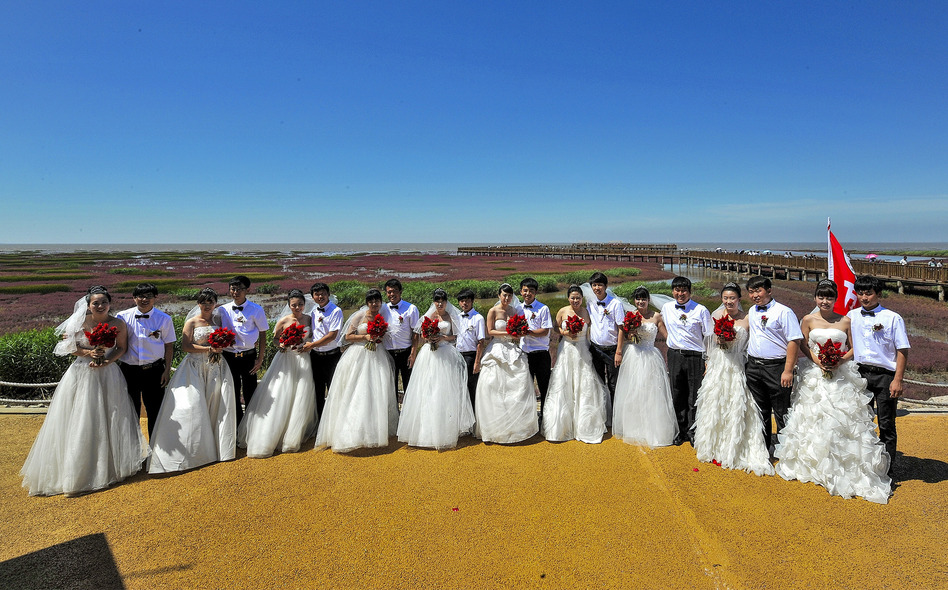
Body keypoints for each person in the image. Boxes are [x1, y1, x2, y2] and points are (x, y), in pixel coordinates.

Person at [21, 286, 148, 496]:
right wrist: (90, 352)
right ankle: (76, 470)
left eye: (103, 302)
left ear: (110, 303)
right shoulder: (79, 322)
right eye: (95, 303)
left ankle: (110, 465)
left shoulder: (118, 323)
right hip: (82, 371)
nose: (100, 306)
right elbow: (69, 346)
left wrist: (106, 360)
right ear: (88, 305)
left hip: (108, 373)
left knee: (110, 416)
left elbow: (121, 348)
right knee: (80, 416)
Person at [775, 280, 891, 502]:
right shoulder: (808, 320)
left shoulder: (846, 320)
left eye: (829, 297)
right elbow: (803, 345)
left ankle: (841, 464)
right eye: (821, 297)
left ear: (835, 299)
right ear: (815, 298)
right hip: (815, 374)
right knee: (813, 417)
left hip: (840, 374)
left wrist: (839, 360)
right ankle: (812, 463)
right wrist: (819, 361)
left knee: (842, 418)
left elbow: (855, 347)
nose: (824, 301)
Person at [148, 288, 237, 473]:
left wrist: (221, 346)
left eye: (210, 301)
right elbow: (186, 346)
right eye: (203, 301)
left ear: (215, 303)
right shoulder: (191, 322)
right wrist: (209, 350)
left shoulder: (219, 320)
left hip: (216, 367)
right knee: (193, 405)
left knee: (217, 404)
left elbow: (229, 340)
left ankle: (218, 447)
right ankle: (196, 451)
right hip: (195, 367)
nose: (207, 304)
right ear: (198, 303)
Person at [692, 283, 774, 476]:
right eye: (725, 298)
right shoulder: (717, 316)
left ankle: (734, 446)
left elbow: (754, 342)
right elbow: (710, 344)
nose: (728, 301)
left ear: (739, 299)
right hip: (719, 364)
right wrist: (709, 360)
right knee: (715, 402)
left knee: (736, 402)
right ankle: (714, 445)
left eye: (732, 298)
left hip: (738, 363)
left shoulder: (748, 318)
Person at [315, 289, 399, 453]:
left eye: (377, 301)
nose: (374, 304)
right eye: (371, 301)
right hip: (359, 355)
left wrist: (377, 337)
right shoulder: (359, 316)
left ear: (380, 302)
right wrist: (365, 337)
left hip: (377, 355)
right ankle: (352, 430)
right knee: (357, 390)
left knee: (376, 391)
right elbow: (347, 336)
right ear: (367, 303)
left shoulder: (382, 317)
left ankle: (373, 428)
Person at [237, 290, 318, 458]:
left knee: (301, 394)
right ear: (289, 305)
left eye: (300, 304)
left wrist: (307, 344)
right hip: (286, 359)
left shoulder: (309, 319)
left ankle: (295, 431)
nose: (297, 307)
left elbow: (314, 337)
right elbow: (275, 339)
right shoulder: (284, 320)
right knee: (282, 392)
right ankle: (273, 433)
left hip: (303, 359)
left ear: (305, 305)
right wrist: (281, 344)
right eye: (294, 305)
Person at [847, 275, 910, 483]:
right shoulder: (851, 316)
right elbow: (847, 345)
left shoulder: (892, 318)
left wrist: (898, 379)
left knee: (886, 424)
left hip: (885, 376)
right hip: (859, 374)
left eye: (869, 293)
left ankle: (887, 470)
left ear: (878, 294)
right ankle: (864, 466)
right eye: (861, 293)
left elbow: (902, 350)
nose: (864, 297)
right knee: (860, 422)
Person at [397, 288, 475, 449]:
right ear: (433, 302)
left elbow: (455, 335)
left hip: (446, 353)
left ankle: (446, 427)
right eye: (437, 301)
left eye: (443, 301)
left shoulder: (450, 316)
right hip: (430, 354)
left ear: (446, 302)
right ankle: (425, 429)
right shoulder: (429, 316)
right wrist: (429, 338)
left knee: (445, 389)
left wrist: (442, 338)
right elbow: (420, 334)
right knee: (428, 388)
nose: (440, 304)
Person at [542, 285, 608, 444]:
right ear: (568, 298)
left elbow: (592, 329)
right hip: (567, 350)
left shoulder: (586, 312)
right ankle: (562, 425)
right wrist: (565, 332)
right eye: (572, 297)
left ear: (582, 298)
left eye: (578, 297)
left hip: (583, 350)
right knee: (564, 382)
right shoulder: (562, 311)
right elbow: (556, 328)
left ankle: (584, 425)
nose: (575, 300)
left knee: (583, 384)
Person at [613, 286, 678, 447]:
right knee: (634, 390)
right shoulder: (631, 315)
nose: (640, 302)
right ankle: (635, 426)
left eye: (643, 299)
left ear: (649, 300)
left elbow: (667, 336)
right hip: (634, 355)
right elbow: (623, 333)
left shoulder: (657, 316)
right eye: (638, 299)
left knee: (652, 391)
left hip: (651, 355)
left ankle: (653, 427)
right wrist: (620, 350)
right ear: (634, 300)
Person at [745, 276, 804, 455]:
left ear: (769, 291)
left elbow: (794, 341)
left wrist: (788, 370)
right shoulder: (752, 311)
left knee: (781, 411)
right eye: (751, 291)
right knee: (759, 411)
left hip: (777, 368)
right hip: (754, 367)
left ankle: (785, 452)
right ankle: (763, 450)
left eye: (759, 290)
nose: (755, 295)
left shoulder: (784, 312)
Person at [474, 283, 539, 443]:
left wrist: (517, 334)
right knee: (494, 386)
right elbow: (490, 331)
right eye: (504, 295)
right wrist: (507, 332)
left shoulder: (514, 311)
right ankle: (495, 426)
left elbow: (520, 331)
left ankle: (515, 425)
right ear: (499, 295)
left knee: (516, 384)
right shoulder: (493, 311)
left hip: (512, 347)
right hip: (496, 348)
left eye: (509, 296)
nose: (507, 298)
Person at [117, 283, 176, 436]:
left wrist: (167, 370)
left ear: (155, 298)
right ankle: (133, 451)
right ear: (134, 298)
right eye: (140, 296)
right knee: (130, 411)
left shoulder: (164, 319)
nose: (144, 299)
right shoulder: (122, 317)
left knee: (155, 410)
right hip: (129, 371)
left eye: (149, 296)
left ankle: (155, 450)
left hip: (154, 371)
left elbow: (169, 346)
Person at [661, 276, 713, 445]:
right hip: (675, 355)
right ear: (672, 291)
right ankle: (679, 430)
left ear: (690, 292)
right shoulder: (667, 308)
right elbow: (662, 325)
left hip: (695, 356)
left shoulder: (701, 310)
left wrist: (708, 359)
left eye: (684, 290)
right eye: (677, 290)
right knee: (676, 392)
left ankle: (692, 430)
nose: (680, 293)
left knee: (693, 394)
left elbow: (709, 337)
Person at [218, 275, 269, 423]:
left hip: (248, 356)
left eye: (239, 289)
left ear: (247, 290)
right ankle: (236, 424)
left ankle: (251, 424)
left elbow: (263, 334)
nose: (236, 292)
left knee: (250, 391)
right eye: (233, 289)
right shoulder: (222, 310)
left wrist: (260, 359)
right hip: (228, 357)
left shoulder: (256, 309)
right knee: (231, 391)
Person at [585, 272, 624, 405]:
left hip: (612, 351)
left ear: (606, 286)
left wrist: (619, 352)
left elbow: (621, 328)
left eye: (600, 285)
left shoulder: (615, 304)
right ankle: (602, 413)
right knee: (598, 383)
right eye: (594, 285)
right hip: (596, 349)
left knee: (614, 384)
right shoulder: (590, 303)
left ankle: (614, 416)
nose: (597, 288)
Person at [305, 282, 343, 419]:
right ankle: (320, 421)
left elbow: (332, 336)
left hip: (332, 356)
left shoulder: (336, 311)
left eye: (323, 293)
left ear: (328, 295)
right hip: (316, 356)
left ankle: (334, 421)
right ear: (313, 297)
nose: (320, 296)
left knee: (334, 389)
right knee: (317, 390)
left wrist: (312, 345)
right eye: (317, 294)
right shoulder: (314, 311)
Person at [380, 278, 420, 398]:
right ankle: (394, 413)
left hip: (406, 352)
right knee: (390, 387)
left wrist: (413, 354)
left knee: (409, 385)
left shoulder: (411, 308)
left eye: (394, 291)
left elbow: (415, 333)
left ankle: (408, 415)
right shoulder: (383, 309)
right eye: (389, 292)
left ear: (400, 291)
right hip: (388, 353)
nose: (392, 294)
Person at [519, 277, 553, 416]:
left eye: (531, 291)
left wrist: (528, 332)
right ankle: (529, 417)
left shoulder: (543, 308)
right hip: (524, 353)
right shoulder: (517, 308)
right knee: (524, 387)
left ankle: (545, 416)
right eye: (525, 290)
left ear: (536, 292)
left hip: (541, 353)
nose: (528, 293)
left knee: (544, 387)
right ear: (521, 292)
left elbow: (545, 330)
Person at [455, 288, 486, 408]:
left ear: (472, 301)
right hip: (458, 356)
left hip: (470, 356)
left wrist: (477, 362)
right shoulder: (456, 317)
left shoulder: (478, 318)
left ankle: (472, 416)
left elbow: (481, 342)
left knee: (471, 387)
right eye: (462, 301)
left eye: (467, 300)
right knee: (459, 387)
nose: (464, 303)